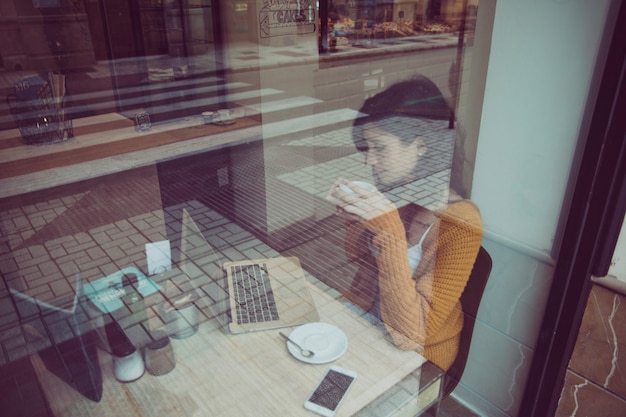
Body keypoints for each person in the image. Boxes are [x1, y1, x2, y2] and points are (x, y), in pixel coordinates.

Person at [326, 76, 483, 371]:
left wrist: (387, 230)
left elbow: (410, 334)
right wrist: (357, 220)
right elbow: (360, 260)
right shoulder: (403, 192)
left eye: (380, 148)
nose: (370, 160)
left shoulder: (460, 222)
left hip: (416, 353)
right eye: (367, 148)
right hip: (368, 319)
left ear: (421, 146)